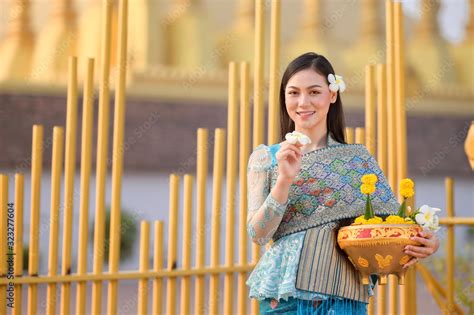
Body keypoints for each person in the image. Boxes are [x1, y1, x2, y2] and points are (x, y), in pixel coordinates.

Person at [246, 52, 440, 314]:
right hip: (283, 298)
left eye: (314, 92)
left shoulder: (358, 160)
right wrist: (284, 180)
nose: (303, 102)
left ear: (332, 94)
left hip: (344, 295)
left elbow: (391, 228)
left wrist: (426, 243)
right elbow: (257, 235)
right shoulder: (266, 158)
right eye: (293, 93)